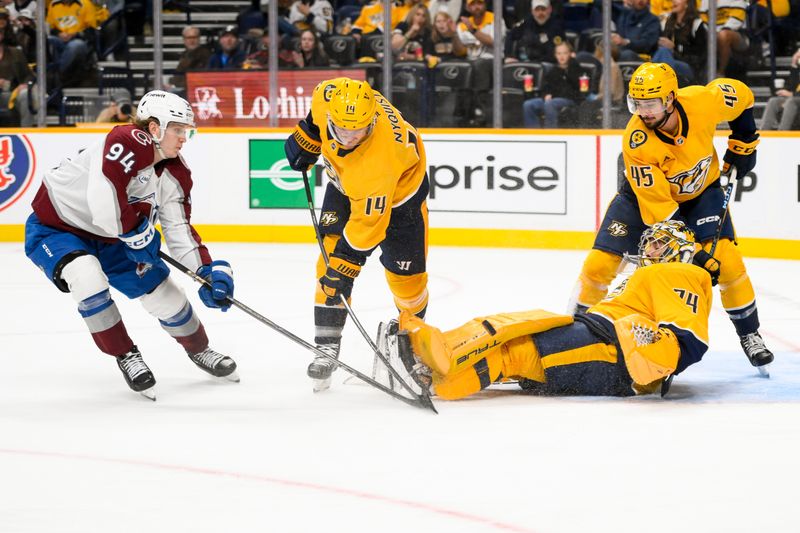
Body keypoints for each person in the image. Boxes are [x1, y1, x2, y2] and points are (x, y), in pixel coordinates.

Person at [24, 91, 239, 400]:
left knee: (167, 298)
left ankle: (199, 349)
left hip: (115, 239)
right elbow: (103, 200)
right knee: (86, 276)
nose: (183, 138)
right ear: (154, 128)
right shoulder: (126, 140)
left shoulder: (175, 173)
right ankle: (125, 354)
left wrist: (206, 271)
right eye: (177, 129)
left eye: (185, 131)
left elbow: (178, 228)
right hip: (57, 229)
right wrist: (137, 234)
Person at [567, 62, 774, 371]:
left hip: (702, 194)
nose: (643, 111)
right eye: (637, 103)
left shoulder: (702, 101)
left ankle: (750, 335)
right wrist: (696, 255)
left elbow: (742, 96)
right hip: (642, 201)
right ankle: (575, 331)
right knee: (599, 265)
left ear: (670, 99)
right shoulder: (636, 140)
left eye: (650, 103)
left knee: (729, 262)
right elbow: (663, 215)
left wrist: (745, 142)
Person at [393, 221, 715, 399]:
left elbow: (688, 338)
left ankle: (433, 375)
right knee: (510, 330)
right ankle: (433, 363)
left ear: (680, 251)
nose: (649, 249)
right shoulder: (651, 274)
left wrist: (658, 349)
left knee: (516, 351)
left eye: (659, 244)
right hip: (598, 335)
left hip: (614, 353)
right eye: (650, 242)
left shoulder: (679, 273)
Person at [283, 77, 430, 392]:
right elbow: (314, 120)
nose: (350, 138)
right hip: (344, 187)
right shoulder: (327, 95)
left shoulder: (380, 162)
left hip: (401, 201)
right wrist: (308, 136)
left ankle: (415, 338)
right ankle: (326, 345)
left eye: (359, 131)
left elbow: (368, 227)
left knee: (407, 283)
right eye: (343, 129)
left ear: (372, 120)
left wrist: (346, 267)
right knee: (327, 265)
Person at [523, 41, 588, 128]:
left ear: (571, 54)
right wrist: (545, 95)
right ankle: (533, 134)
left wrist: (572, 62)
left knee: (550, 104)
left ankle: (550, 134)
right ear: (555, 55)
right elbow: (546, 87)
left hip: (570, 99)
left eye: (565, 53)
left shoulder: (576, 68)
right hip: (553, 99)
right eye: (559, 53)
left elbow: (574, 89)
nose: (561, 56)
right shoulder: (553, 70)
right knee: (528, 105)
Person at [652, 0, 707, 84]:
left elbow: (700, 57)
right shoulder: (668, 22)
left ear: (687, 3)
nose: (673, 1)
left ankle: (655, 82)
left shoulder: (697, 24)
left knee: (664, 53)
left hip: (690, 68)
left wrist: (674, 49)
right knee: (662, 51)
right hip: (669, 62)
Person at [164, 25, 212, 95]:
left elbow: (198, 77)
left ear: (199, 38)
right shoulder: (185, 54)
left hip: (197, 90)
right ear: (184, 40)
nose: (192, 40)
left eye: (194, 37)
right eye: (189, 38)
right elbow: (179, 74)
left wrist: (174, 84)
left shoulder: (205, 55)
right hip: (183, 88)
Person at [760, 48, 800, 130]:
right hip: (796, 97)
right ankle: (763, 132)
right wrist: (794, 65)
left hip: (795, 98)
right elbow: (792, 86)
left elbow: (793, 93)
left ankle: (782, 132)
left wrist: (792, 94)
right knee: (773, 101)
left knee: (791, 101)